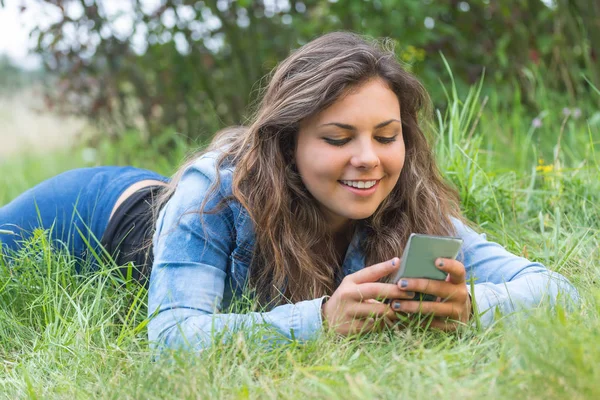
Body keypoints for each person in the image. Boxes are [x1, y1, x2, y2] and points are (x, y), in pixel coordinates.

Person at [0, 32, 578, 352]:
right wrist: (322, 319)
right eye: (337, 137)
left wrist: (472, 305)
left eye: (386, 135)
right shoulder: (216, 192)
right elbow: (174, 337)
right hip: (86, 215)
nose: (369, 159)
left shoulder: (407, 199)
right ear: (288, 142)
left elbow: (558, 293)